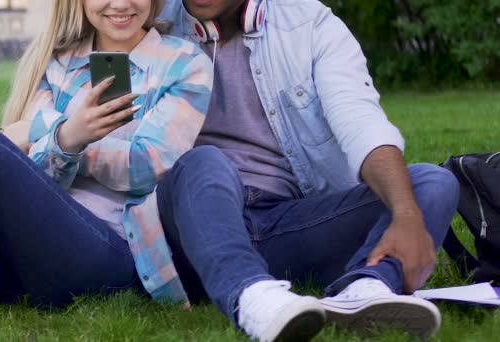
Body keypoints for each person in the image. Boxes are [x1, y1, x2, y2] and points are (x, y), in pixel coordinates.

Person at [150, 0, 460, 340]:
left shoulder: (309, 23)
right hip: (196, 224)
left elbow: (361, 123)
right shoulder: (149, 22)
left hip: (285, 223)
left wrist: (406, 214)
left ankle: (367, 288)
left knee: (431, 182)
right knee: (204, 161)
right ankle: (250, 298)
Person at [0, 0, 212, 307]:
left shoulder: (184, 64)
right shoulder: (59, 62)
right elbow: (36, 173)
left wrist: (60, 135)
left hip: (107, 251)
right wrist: (66, 137)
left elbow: (145, 166)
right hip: (32, 245)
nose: (120, 3)